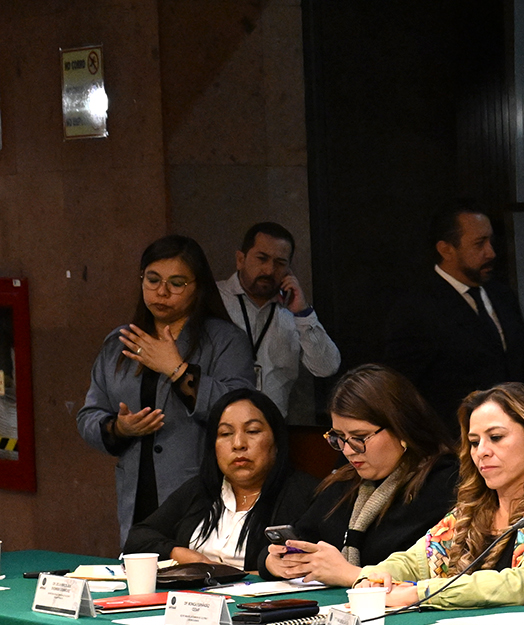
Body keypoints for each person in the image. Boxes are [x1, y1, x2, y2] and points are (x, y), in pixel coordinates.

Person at [355, 382, 524, 610]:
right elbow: (413, 561)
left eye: (496, 437)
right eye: (474, 442)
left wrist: (420, 592)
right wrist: (375, 577)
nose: (481, 452)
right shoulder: (473, 512)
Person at [76, 235, 256, 543]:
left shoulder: (226, 340)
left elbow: (240, 412)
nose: (162, 291)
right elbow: (87, 416)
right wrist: (118, 428)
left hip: (199, 491)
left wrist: (177, 369)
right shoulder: (119, 342)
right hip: (136, 493)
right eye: (153, 280)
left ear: (198, 286)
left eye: (176, 283)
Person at [267, 365, 461, 583]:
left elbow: (428, 570)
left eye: (360, 437)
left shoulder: (444, 483)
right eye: (339, 437)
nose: (348, 450)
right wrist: (274, 561)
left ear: (401, 428)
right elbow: (300, 536)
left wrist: (348, 573)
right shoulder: (345, 483)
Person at [380, 204, 524, 427]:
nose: (491, 252)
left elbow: (522, 365)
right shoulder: (417, 308)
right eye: (479, 243)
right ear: (446, 250)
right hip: (456, 437)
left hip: (513, 430)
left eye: (490, 241)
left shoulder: (502, 296)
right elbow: (401, 388)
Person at [123, 388, 316, 573]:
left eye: (252, 431)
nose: (238, 444)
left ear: (277, 441)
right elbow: (138, 538)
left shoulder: (305, 494)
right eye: (225, 434)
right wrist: (180, 554)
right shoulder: (200, 488)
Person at [217, 221, 341, 419]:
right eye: (262, 258)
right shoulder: (214, 299)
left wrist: (302, 313)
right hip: (218, 423)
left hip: (273, 425)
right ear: (240, 259)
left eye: (280, 263)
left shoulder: (295, 313)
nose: (269, 270)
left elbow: (327, 367)